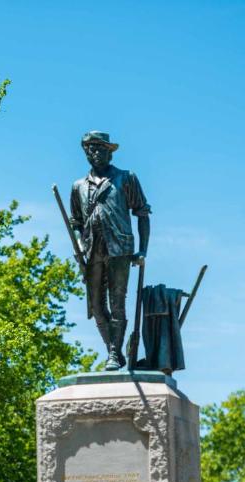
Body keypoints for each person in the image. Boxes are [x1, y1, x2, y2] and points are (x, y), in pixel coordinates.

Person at [69, 130, 151, 370]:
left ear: (109, 152)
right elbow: (76, 222)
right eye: (91, 149)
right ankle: (112, 348)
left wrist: (143, 250)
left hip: (120, 249)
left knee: (117, 302)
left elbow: (142, 214)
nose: (96, 153)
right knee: (95, 304)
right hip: (92, 250)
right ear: (86, 153)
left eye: (101, 148)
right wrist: (78, 244)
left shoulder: (126, 178)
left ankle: (114, 353)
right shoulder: (78, 186)